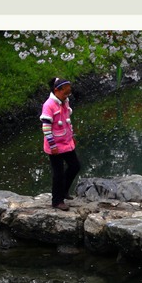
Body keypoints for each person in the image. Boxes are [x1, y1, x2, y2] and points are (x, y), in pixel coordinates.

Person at [40, 77, 81, 210]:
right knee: (58, 173)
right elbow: (46, 127)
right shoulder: (49, 105)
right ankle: (57, 201)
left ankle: (64, 191)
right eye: (65, 93)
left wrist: (72, 135)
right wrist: (52, 145)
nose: (67, 96)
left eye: (68, 94)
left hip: (66, 142)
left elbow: (67, 120)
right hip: (55, 146)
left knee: (75, 166)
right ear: (57, 90)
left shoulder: (65, 101)